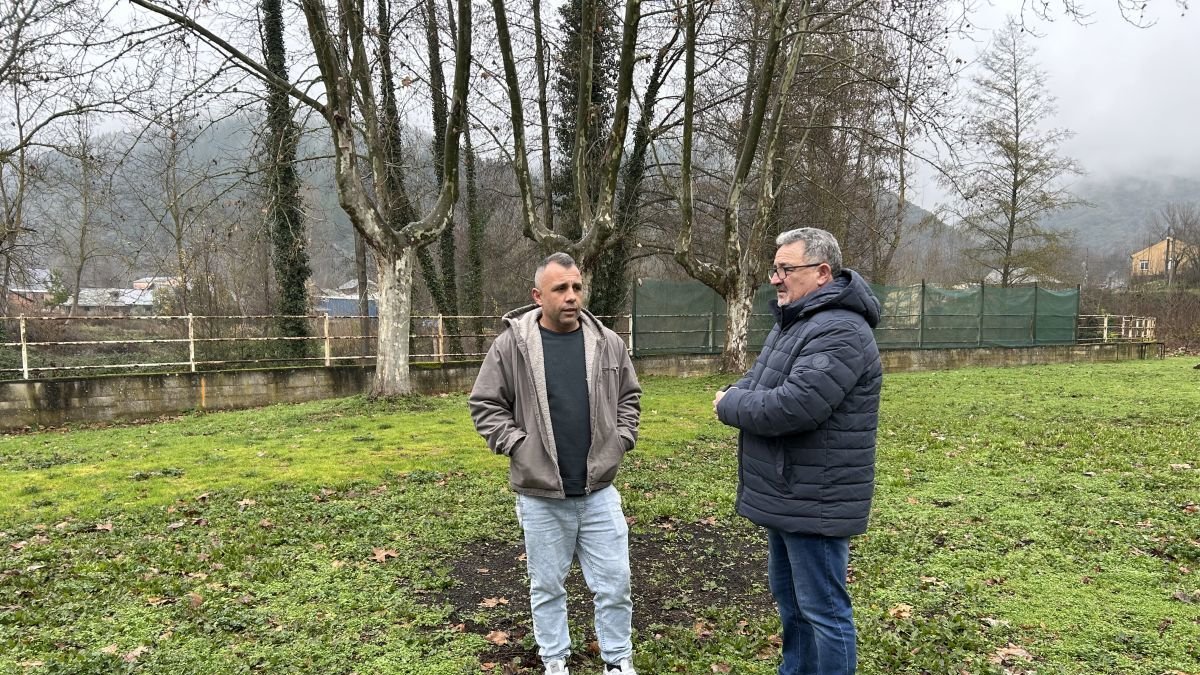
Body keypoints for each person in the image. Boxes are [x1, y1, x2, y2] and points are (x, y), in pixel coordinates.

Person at [713, 227, 882, 675]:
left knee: (824, 612)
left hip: (817, 497)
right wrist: (739, 393)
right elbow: (758, 382)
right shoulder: (797, 324)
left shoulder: (841, 330)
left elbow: (794, 406)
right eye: (775, 268)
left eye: (786, 269)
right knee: (792, 604)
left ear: (823, 272)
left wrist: (729, 403)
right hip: (789, 491)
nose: (776, 278)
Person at [469, 252, 642, 675]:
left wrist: (621, 439)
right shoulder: (512, 345)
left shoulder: (608, 342)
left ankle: (617, 661)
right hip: (542, 495)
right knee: (548, 587)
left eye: (577, 287)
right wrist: (517, 445)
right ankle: (554, 661)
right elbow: (485, 404)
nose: (571, 296)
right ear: (537, 295)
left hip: (599, 491)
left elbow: (629, 397)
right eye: (560, 289)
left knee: (615, 586)